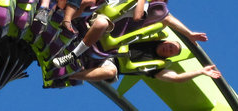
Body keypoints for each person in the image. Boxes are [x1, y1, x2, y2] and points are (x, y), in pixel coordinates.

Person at [51, 0, 159, 67]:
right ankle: (57, 23)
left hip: (102, 17)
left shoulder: (143, 0)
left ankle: (73, 55)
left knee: (102, 23)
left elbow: (137, 17)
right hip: (96, 4)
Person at [69, 40, 221, 83]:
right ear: (164, 42)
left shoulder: (156, 66)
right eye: (170, 46)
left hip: (111, 65)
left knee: (111, 72)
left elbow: (175, 78)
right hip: (107, 48)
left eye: (171, 51)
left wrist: (200, 72)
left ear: (168, 57)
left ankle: (71, 75)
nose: (168, 49)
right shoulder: (148, 37)